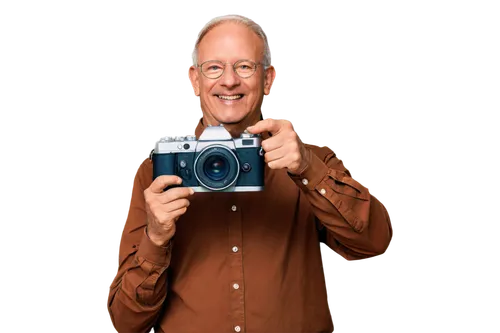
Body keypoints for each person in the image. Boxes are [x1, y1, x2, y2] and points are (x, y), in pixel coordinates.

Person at [105, 12, 394, 333]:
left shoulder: (311, 160)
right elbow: (125, 322)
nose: (229, 80)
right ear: (193, 79)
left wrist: (308, 171)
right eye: (214, 67)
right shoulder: (158, 172)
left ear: (270, 79)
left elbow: (375, 244)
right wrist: (155, 239)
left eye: (244, 66)